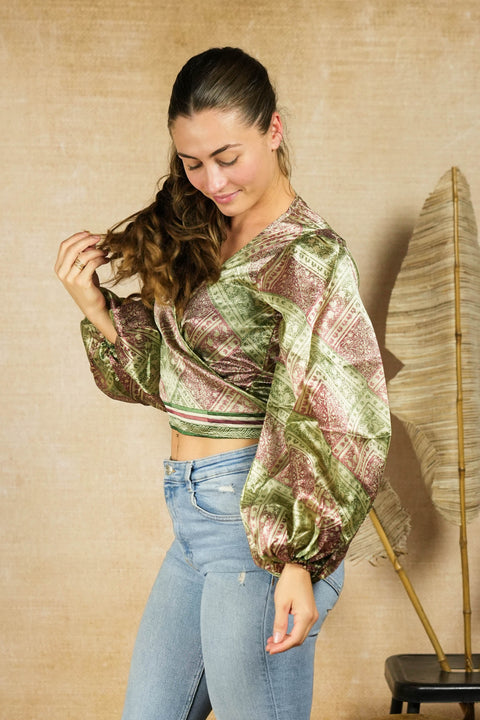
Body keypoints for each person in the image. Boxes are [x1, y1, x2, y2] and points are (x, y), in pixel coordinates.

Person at [55, 47, 391, 720]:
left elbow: (340, 417)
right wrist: (95, 307)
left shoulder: (308, 255)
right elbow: (172, 381)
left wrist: (298, 560)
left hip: (258, 529)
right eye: (191, 162)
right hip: (193, 520)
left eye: (227, 157)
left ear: (274, 129)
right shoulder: (202, 230)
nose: (211, 179)